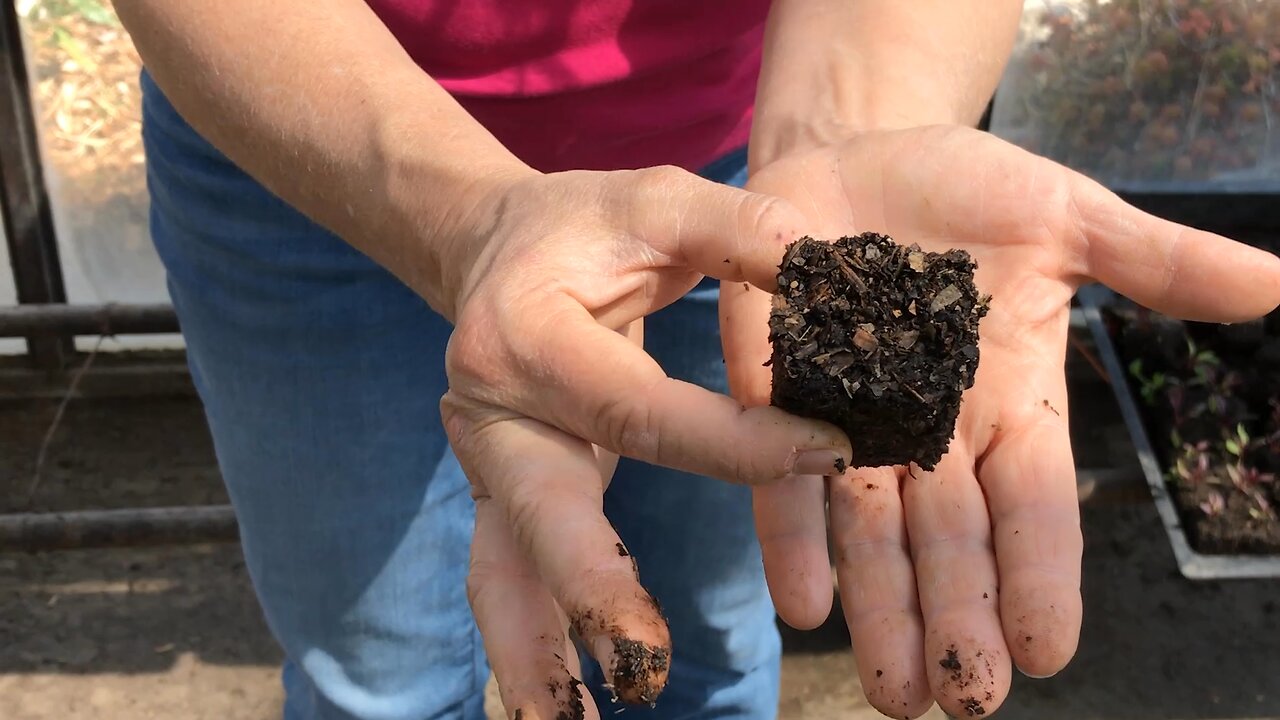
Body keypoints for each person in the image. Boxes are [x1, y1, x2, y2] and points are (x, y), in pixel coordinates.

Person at [114, 1, 1280, 719]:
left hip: (727, 170)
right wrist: (467, 222)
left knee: (706, 647)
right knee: (378, 674)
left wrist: (840, 135)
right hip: (306, 125)